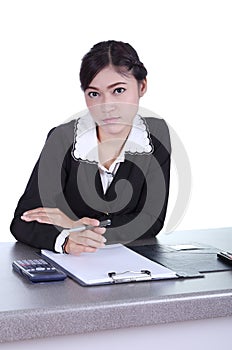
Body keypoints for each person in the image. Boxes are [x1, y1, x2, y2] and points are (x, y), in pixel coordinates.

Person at [10, 40, 171, 255]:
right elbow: (23, 220)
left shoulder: (155, 137)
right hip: (70, 270)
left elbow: (151, 220)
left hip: (128, 267)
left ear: (142, 86)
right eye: (94, 94)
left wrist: (76, 225)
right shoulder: (63, 138)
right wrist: (67, 241)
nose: (106, 106)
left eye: (119, 90)